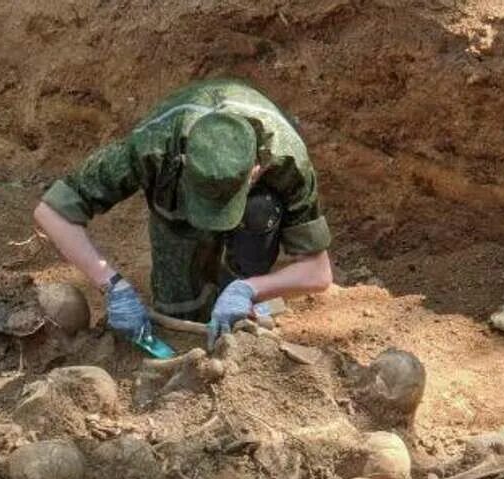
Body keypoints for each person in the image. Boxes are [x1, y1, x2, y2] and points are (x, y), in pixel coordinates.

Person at [33, 77, 334, 347]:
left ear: (256, 171)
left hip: (255, 213)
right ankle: (197, 293)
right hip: (175, 208)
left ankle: (237, 290)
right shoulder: (153, 147)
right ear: (184, 160)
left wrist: (249, 288)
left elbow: (318, 272)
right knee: (179, 311)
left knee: (261, 210)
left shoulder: (287, 160)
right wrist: (112, 285)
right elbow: (51, 212)